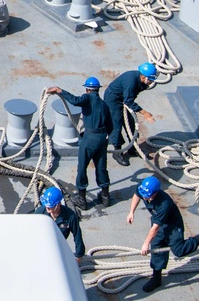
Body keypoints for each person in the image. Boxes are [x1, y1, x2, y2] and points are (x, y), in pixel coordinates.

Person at [127, 176, 199, 293]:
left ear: (155, 193)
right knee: (157, 247)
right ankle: (156, 278)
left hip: (172, 225)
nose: (144, 197)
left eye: (147, 196)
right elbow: (137, 195)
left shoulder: (164, 204)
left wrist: (145, 244)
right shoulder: (143, 188)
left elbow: (155, 228)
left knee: (179, 251)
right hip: (159, 223)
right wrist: (131, 212)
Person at [46, 77, 112, 209]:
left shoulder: (87, 98)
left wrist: (60, 91)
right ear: (98, 89)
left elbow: (75, 101)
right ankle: (105, 197)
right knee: (101, 167)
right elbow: (110, 125)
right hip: (102, 139)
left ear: (87, 89)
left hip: (89, 139)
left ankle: (82, 199)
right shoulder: (104, 104)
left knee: (82, 167)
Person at [104, 63, 157, 166]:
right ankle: (117, 152)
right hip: (113, 100)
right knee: (116, 125)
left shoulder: (142, 82)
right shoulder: (131, 82)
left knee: (131, 124)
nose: (151, 82)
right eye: (150, 79)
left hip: (124, 99)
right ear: (143, 77)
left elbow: (130, 98)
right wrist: (144, 113)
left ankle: (133, 149)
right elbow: (129, 101)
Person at [35, 187, 85, 263]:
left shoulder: (70, 216)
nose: (47, 207)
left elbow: (77, 234)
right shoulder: (40, 213)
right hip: (42, 245)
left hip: (58, 246)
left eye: (50, 205)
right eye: (46, 205)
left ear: (58, 204)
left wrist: (79, 255)